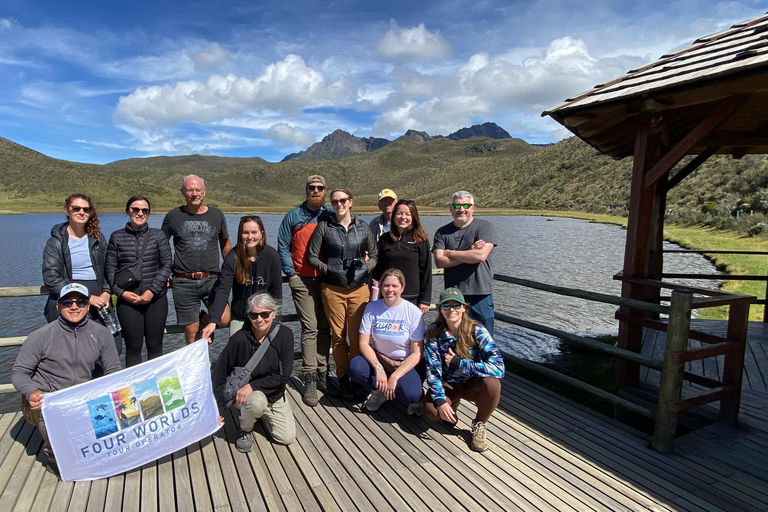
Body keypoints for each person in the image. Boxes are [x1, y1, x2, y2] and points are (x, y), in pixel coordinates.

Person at [11, 283, 122, 475]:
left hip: (79, 398)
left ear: (88, 305)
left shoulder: (102, 334)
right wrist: (31, 392)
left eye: (80, 302)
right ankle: (54, 457)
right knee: (52, 418)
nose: (74, 307)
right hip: (46, 400)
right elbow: (19, 372)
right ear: (58, 306)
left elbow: (113, 371)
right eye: (67, 302)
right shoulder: (40, 336)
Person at [308, 188, 377, 400]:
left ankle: (357, 377)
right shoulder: (324, 227)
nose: (339, 204)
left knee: (357, 337)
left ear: (351, 202)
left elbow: (374, 255)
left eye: (343, 200)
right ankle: (343, 377)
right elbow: (311, 257)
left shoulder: (363, 227)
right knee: (338, 337)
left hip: (359, 289)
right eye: (335, 201)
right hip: (332, 289)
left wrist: (364, 268)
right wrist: (328, 268)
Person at [423, 287, 505, 453]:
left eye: (456, 305)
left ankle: (480, 423)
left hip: (470, 382)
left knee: (492, 385)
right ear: (440, 309)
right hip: (448, 384)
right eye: (446, 305)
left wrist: (460, 363)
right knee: (432, 411)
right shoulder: (434, 332)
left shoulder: (477, 330)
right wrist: (439, 399)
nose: (451, 309)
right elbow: (432, 370)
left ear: (464, 308)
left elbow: (499, 367)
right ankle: (452, 403)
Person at [211, 293, 295, 452]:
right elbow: (219, 373)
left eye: (265, 314)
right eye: (254, 315)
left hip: (274, 394)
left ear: (273, 313)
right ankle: (245, 428)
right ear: (248, 316)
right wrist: (218, 409)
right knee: (257, 401)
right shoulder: (239, 339)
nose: (259, 319)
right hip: (247, 395)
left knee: (286, 437)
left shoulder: (285, 336)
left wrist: (253, 385)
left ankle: (258, 414)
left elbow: (283, 376)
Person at [277, 175, 335, 407]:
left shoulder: (330, 213)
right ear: (306, 190)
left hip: (328, 279)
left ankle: (323, 373)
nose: (316, 191)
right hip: (302, 279)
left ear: (324, 191)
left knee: (325, 326)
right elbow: (282, 244)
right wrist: (290, 273)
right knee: (309, 327)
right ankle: (310, 376)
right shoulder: (293, 215)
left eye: (320, 188)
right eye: (312, 187)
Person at [42, 193, 122, 357]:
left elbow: (109, 268)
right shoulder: (56, 241)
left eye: (86, 209)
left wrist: (107, 292)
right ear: (67, 211)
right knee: (74, 352)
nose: (81, 212)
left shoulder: (97, 238)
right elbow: (51, 278)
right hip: (70, 297)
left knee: (112, 347)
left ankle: (102, 381)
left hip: (100, 296)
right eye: (76, 208)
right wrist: (85, 297)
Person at [162, 174, 231, 344]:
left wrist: (231, 271)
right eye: (190, 190)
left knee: (223, 319)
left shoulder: (216, 214)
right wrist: (163, 274)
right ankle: (197, 370)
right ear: (183, 192)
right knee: (192, 335)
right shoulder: (173, 216)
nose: (194, 193)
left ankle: (204, 319)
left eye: (198, 190)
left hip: (211, 279)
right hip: (183, 281)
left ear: (204, 191)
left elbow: (225, 244)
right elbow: (161, 247)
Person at [105, 195, 173, 367]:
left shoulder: (158, 236)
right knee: (133, 348)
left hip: (155, 299)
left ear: (149, 213)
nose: (140, 213)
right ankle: (134, 390)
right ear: (128, 211)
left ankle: (157, 390)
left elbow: (166, 265)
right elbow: (110, 269)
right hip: (128, 301)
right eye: (135, 209)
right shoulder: (116, 237)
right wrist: (121, 293)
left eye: (144, 210)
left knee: (155, 346)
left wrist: (152, 291)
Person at [349, 269, 426, 414]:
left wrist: (395, 376)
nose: (390, 290)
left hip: (405, 362)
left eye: (395, 286)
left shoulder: (413, 312)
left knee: (412, 394)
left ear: (402, 288)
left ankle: (404, 392)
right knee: (355, 367)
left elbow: (417, 353)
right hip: (381, 359)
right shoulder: (372, 308)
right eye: (386, 285)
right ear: (381, 287)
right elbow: (364, 343)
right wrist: (379, 369)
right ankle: (380, 390)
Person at [202, 215, 282, 340]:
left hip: (264, 318)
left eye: (254, 232)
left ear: (262, 233)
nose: (250, 237)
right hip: (240, 317)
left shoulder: (272, 256)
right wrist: (213, 321)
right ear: (240, 234)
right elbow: (223, 290)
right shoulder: (232, 257)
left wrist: (275, 322)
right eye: (246, 233)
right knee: (237, 352)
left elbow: (276, 294)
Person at [433, 191, 497, 335]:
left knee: (484, 339)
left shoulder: (485, 227)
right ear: (450, 208)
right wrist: (470, 252)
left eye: (466, 205)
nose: (461, 209)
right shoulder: (442, 232)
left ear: (473, 208)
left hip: (480, 293)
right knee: (455, 337)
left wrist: (450, 252)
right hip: (453, 296)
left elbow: (480, 256)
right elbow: (439, 261)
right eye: (457, 205)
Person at [373, 199, 432, 314]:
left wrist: (425, 300)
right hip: (388, 295)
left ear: (413, 217)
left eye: (407, 214)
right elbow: (377, 269)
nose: (403, 217)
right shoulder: (385, 239)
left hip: (411, 297)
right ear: (394, 216)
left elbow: (426, 271)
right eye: (399, 213)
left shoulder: (420, 240)